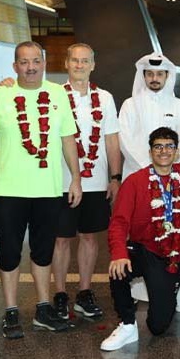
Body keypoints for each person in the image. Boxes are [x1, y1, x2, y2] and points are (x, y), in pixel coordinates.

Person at [0, 41, 81, 338]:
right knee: (9, 253)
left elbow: (67, 140)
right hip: (9, 190)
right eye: (23, 62)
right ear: (14, 66)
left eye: (36, 60)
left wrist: (75, 178)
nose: (30, 67)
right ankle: (11, 311)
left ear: (44, 62)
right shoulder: (1, 95)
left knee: (42, 252)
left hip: (47, 189)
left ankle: (41, 308)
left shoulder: (57, 95)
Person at [101, 128, 180, 350]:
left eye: (169, 146)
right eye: (158, 146)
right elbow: (118, 222)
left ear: (176, 151)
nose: (164, 151)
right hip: (142, 248)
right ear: (150, 151)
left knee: (158, 326)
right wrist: (118, 254)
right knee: (119, 269)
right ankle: (127, 324)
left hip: (170, 257)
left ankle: (173, 287)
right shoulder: (135, 181)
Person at [52, 43, 122, 323]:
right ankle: (59, 295)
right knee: (61, 239)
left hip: (95, 181)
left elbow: (111, 139)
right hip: (61, 182)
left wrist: (115, 177)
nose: (80, 65)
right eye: (75, 61)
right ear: (66, 64)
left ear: (93, 65)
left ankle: (84, 292)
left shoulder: (104, 98)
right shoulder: (54, 95)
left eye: (85, 61)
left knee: (90, 238)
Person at [118, 53, 180, 178]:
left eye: (160, 74)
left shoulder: (178, 105)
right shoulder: (129, 104)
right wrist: (147, 166)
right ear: (143, 76)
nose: (154, 78)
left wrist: (166, 164)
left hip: (169, 172)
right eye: (150, 74)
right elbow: (125, 141)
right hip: (136, 172)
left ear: (167, 76)